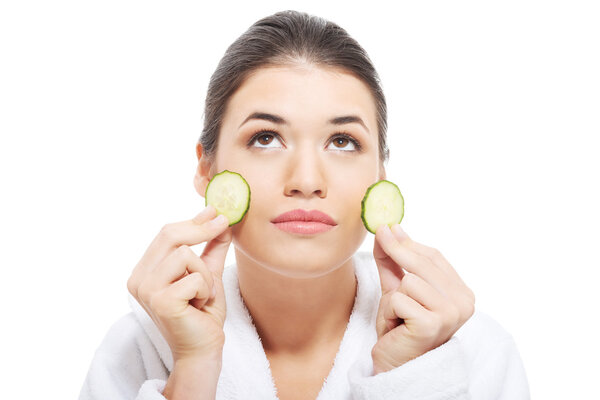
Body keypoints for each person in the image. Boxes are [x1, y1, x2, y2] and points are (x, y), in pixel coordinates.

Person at [79, 10, 530, 400]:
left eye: (342, 141)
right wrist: (193, 369)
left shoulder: (470, 349)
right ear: (207, 170)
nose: (307, 182)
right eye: (266, 138)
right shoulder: (139, 345)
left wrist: (411, 376)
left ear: (380, 175)